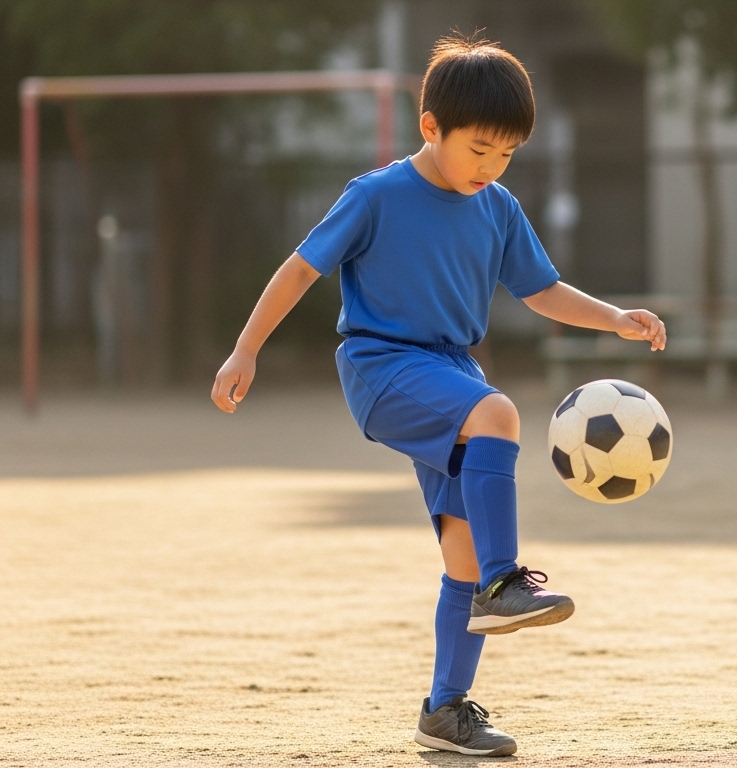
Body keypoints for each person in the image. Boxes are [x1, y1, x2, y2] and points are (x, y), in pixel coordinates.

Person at [209, 35, 666, 757]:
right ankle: (504, 582)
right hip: (382, 364)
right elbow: (299, 271)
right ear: (431, 127)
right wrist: (245, 349)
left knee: (459, 551)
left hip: (452, 371)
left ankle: (445, 711)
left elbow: (540, 289)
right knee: (500, 414)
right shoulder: (376, 195)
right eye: (479, 149)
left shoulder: (498, 206)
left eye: (507, 154)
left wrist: (612, 317)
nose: (491, 167)